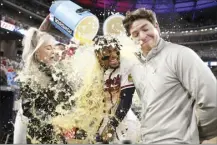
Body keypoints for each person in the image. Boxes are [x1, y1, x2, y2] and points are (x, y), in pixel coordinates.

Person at [114, 8, 217, 144]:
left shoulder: (181, 55)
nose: (142, 36)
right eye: (135, 33)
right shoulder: (135, 66)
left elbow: (212, 100)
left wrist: (198, 133)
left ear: (156, 26)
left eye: (145, 29)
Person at [93, 36, 141, 143]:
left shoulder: (127, 65)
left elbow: (126, 99)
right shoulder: (97, 70)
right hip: (104, 121)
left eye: (115, 51)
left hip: (123, 123)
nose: (113, 56)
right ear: (99, 56)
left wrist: (112, 126)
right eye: (108, 53)